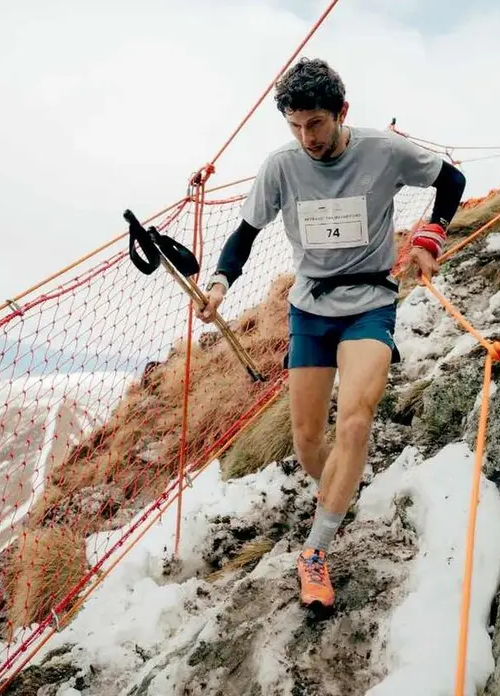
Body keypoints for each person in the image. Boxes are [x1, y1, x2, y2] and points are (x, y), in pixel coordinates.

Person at [197, 57, 466, 615]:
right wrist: (220, 284)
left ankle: (315, 551)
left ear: (341, 112)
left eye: (315, 123)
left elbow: (451, 180)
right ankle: (344, 486)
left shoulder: (383, 151)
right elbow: (245, 233)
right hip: (310, 310)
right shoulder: (283, 166)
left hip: (370, 301)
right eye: (295, 126)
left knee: (357, 420)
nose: (306, 137)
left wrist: (429, 237)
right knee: (307, 443)